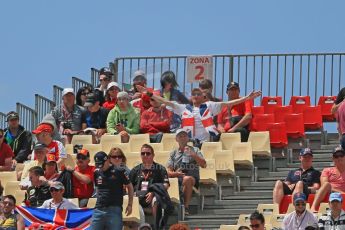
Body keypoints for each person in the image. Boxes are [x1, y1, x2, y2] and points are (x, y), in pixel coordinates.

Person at [136, 85, 261, 144]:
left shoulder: (210, 106)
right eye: (193, 94)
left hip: (204, 144)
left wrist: (246, 98)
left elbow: (229, 103)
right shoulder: (183, 108)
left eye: (198, 94)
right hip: (189, 143)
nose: (196, 96)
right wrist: (150, 94)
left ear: (203, 97)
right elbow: (165, 101)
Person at [167, 128, 206, 215]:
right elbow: (169, 171)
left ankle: (185, 207)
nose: (183, 138)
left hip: (192, 178)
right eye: (180, 136)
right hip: (178, 177)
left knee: (187, 179)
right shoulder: (173, 153)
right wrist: (176, 173)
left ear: (188, 138)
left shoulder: (195, 150)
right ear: (176, 139)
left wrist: (193, 155)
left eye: (185, 136)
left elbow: (204, 164)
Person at [91, 151, 134, 230]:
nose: (100, 167)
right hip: (99, 208)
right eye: (98, 165)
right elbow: (97, 189)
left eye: (101, 164)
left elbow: (130, 186)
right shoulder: (96, 172)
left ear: (107, 160)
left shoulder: (119, 171)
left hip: (114, 209)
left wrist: (130, 204)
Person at [129, 144, 170, 225]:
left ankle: (158, 227)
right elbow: (128, 185)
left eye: (148, 153)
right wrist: (132, 194)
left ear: (153, 155)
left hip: (153, 198)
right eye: (143, 153)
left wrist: (154, 192)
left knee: (156, 200)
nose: (145, 155)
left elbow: (166, 185)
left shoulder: (160, 169)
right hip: (138, 198)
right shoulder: (135, 170)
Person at [311, 147, 345, 212]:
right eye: (336, 156)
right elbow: (324, 185)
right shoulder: (327, 170)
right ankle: (313, 207)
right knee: (326, 184)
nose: (339, 158)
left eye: (341, 155)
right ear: (333, 159)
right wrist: (342, 193)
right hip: (331, 193)